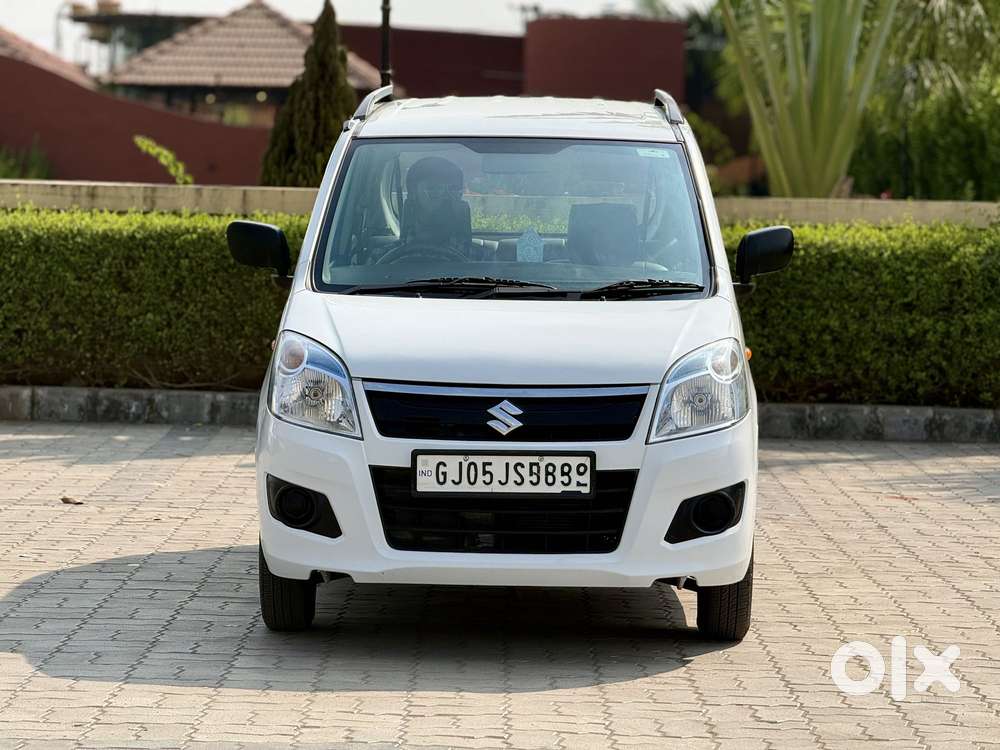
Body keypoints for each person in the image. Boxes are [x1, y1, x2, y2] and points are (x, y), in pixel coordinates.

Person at [401, 156, 472, 252]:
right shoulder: (379, 259)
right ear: (413, 196)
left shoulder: (482, 260)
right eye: (434, 190)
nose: (446, 199)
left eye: (453, 190)